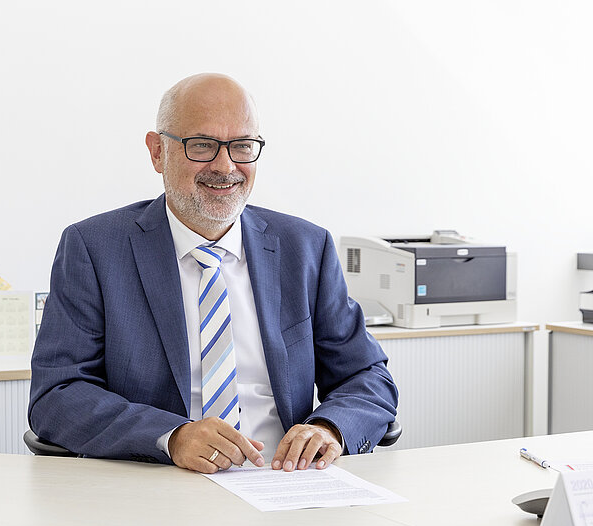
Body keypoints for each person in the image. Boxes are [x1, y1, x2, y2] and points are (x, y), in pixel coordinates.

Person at [29, 73, 398, 474]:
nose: (225, 166)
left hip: (285, 484)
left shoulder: (305, 248)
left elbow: (367, 376)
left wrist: (330, 428)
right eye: (202, 145)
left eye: (242, 146)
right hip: (158, 486)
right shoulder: (95, 248)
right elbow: (57, 394)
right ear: (157, 152)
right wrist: (172, 436)